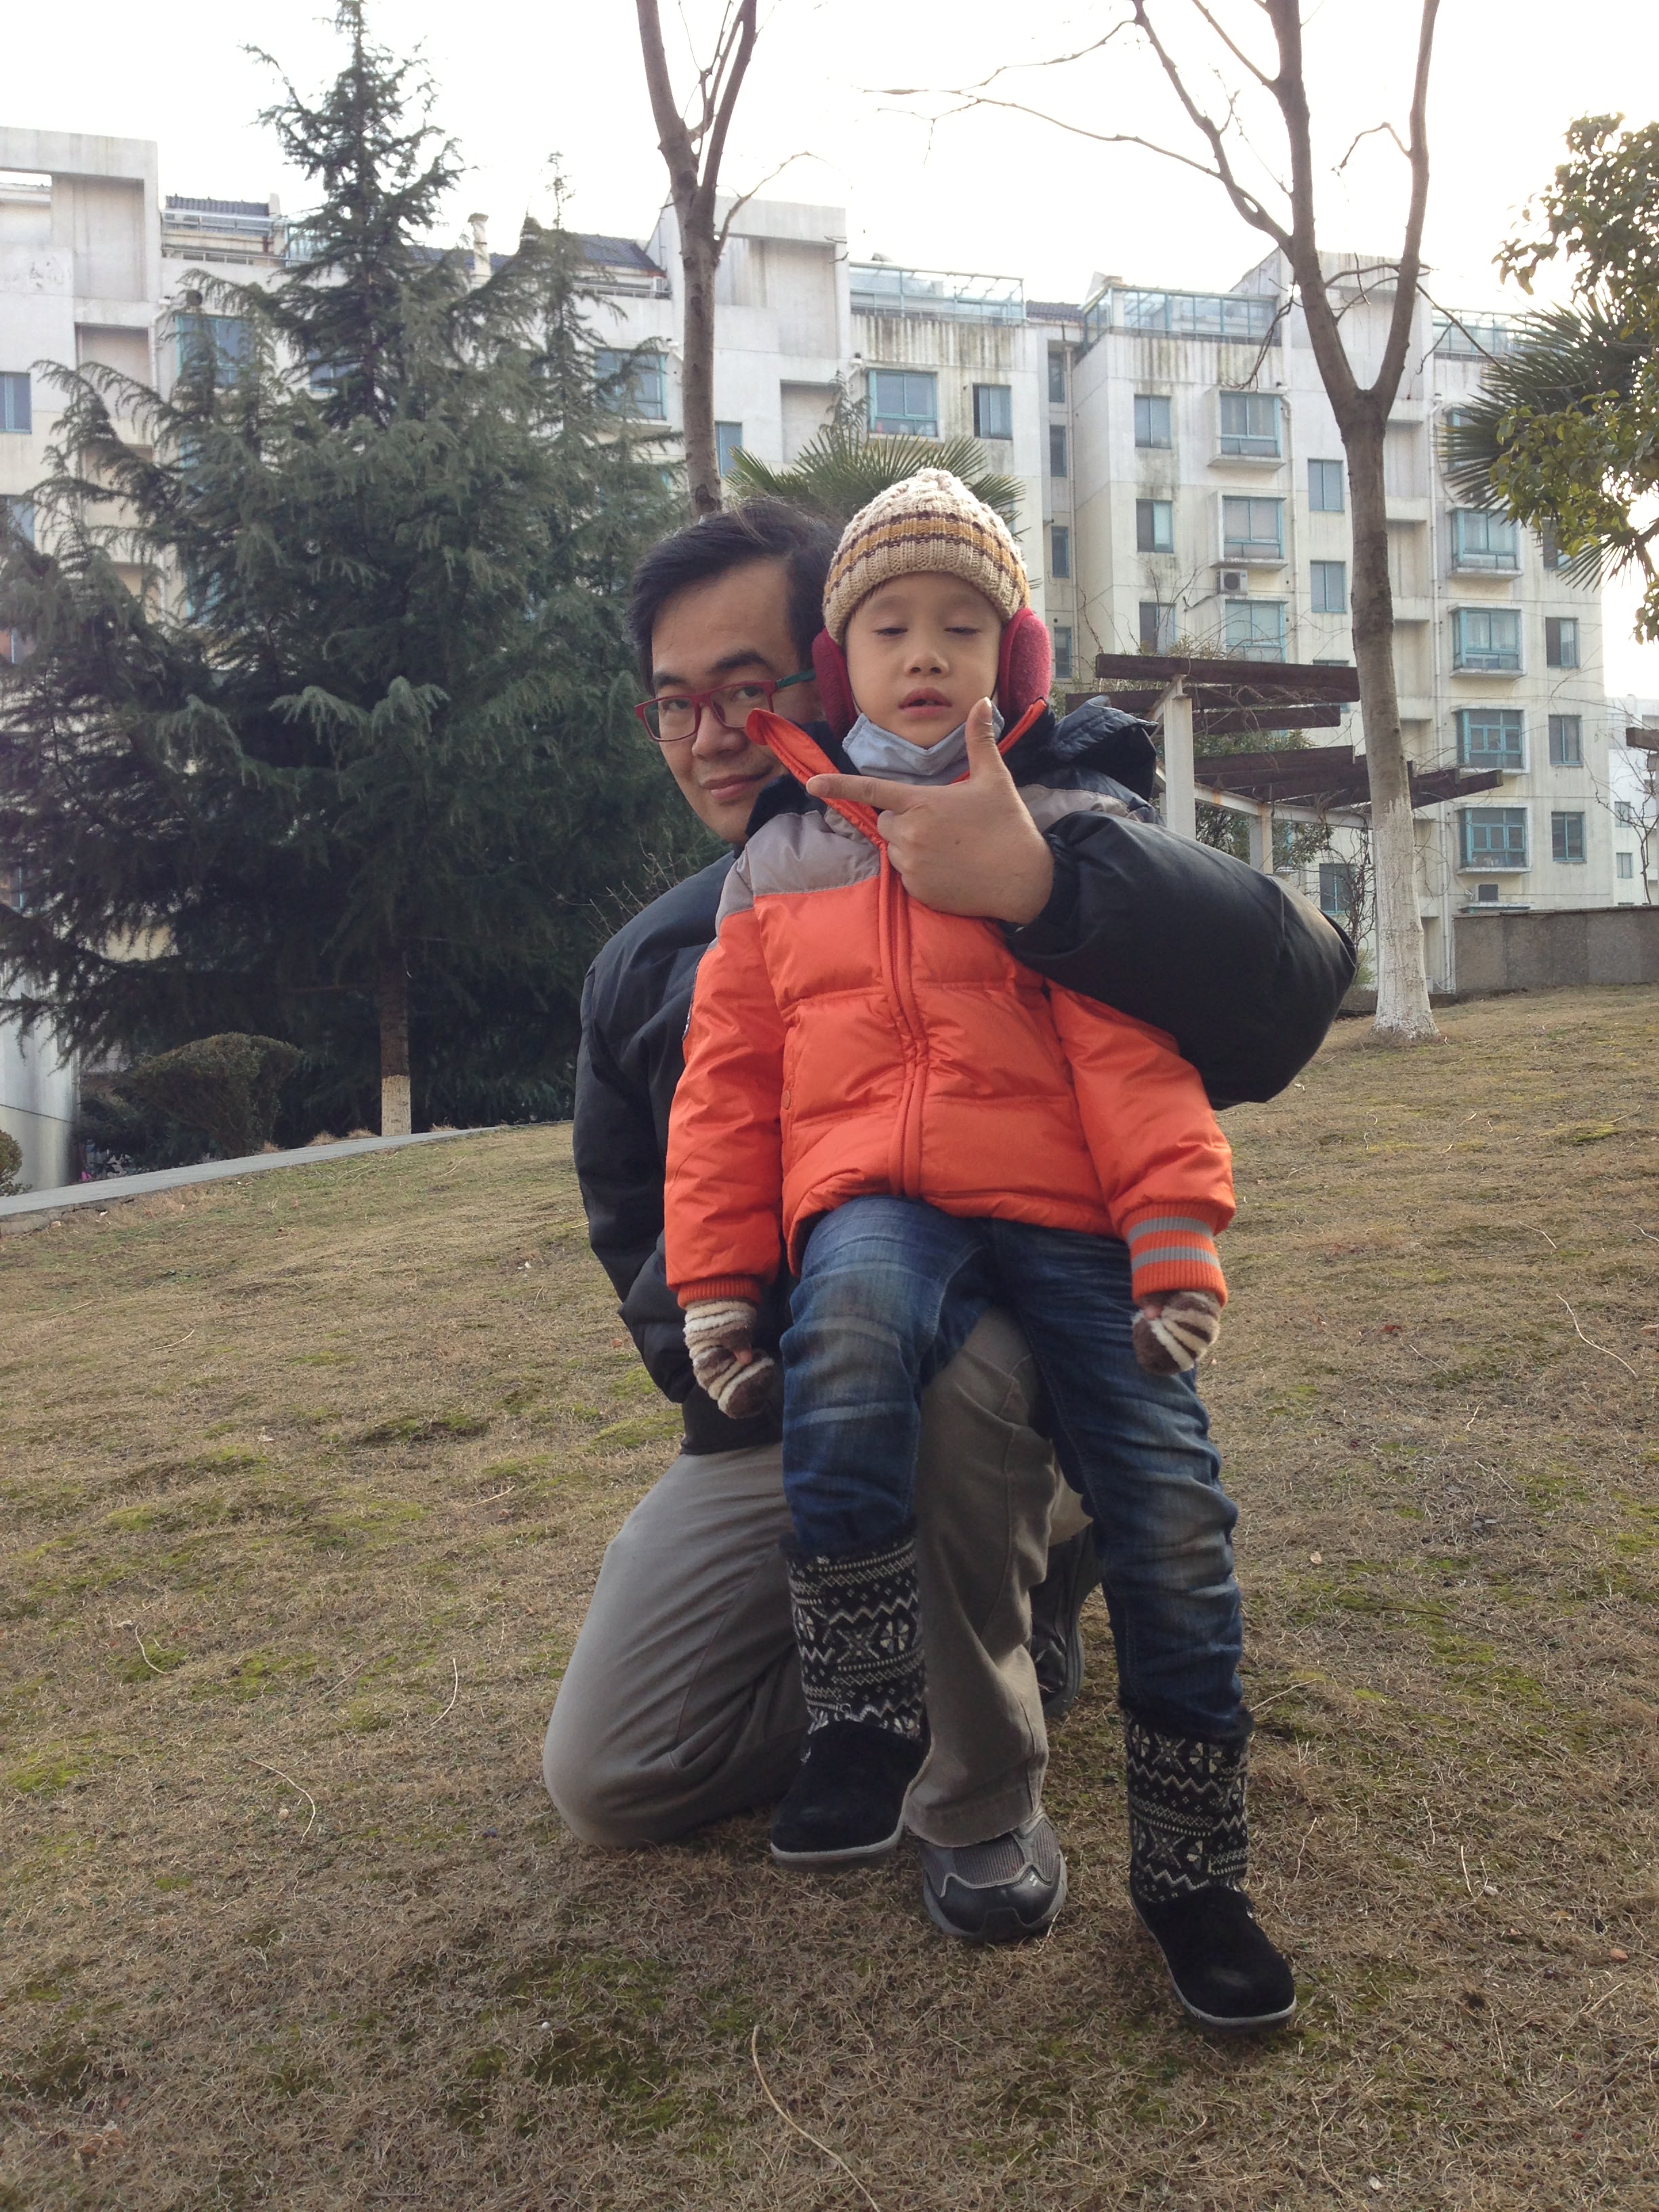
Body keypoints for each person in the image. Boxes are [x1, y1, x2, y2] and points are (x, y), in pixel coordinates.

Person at [543, 493, 1353, 1963]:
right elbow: (636, 1235)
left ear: (831, 670)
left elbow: (1292, 982)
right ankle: (958, 1635)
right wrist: (749, 1360)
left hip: (1026, 1334)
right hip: (804, 1384)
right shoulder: (667, 950)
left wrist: (1040, 885)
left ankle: (984, 1795)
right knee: (614, 1772)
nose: (715, 733)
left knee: (959, 1373)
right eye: (676, 702)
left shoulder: (1053, 819)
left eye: (747, 686)